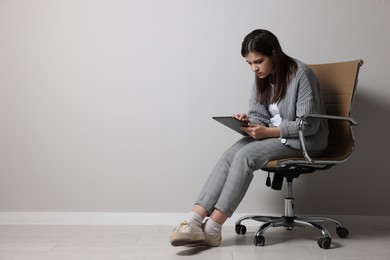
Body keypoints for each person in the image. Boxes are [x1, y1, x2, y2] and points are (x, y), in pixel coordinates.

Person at [169, 29, 329, 247]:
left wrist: (268, 132)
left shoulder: (302, 74)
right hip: (275, 137)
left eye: (259, 61)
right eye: (249, 63)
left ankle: (213, 228)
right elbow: (260, 115)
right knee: (229, 155)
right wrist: (248, 121)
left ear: (274, 54)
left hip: (304, 141)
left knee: (245, 155)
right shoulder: (262, 77)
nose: (254, 68)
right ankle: (193, 220)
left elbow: (309, 124)